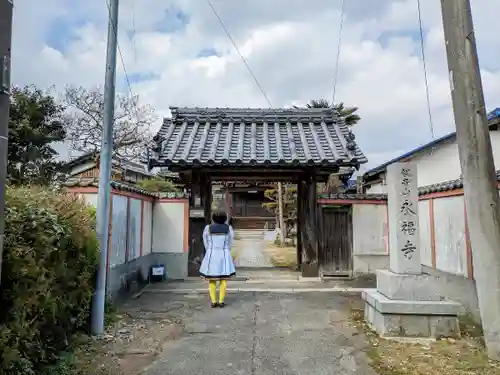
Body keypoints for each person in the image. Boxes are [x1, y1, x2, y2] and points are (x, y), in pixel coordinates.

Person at [199, 211, 236, 308]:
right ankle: (221, 301)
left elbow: (205, 241)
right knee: (223, 279)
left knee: (212, 279)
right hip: (224, 254)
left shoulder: (208, 228)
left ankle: (213, 301)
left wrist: (209, 250)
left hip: (212, 254)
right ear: (225, 218)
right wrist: (226, 250)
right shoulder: (229, 228)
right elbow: (230, 242)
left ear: (213, 218)